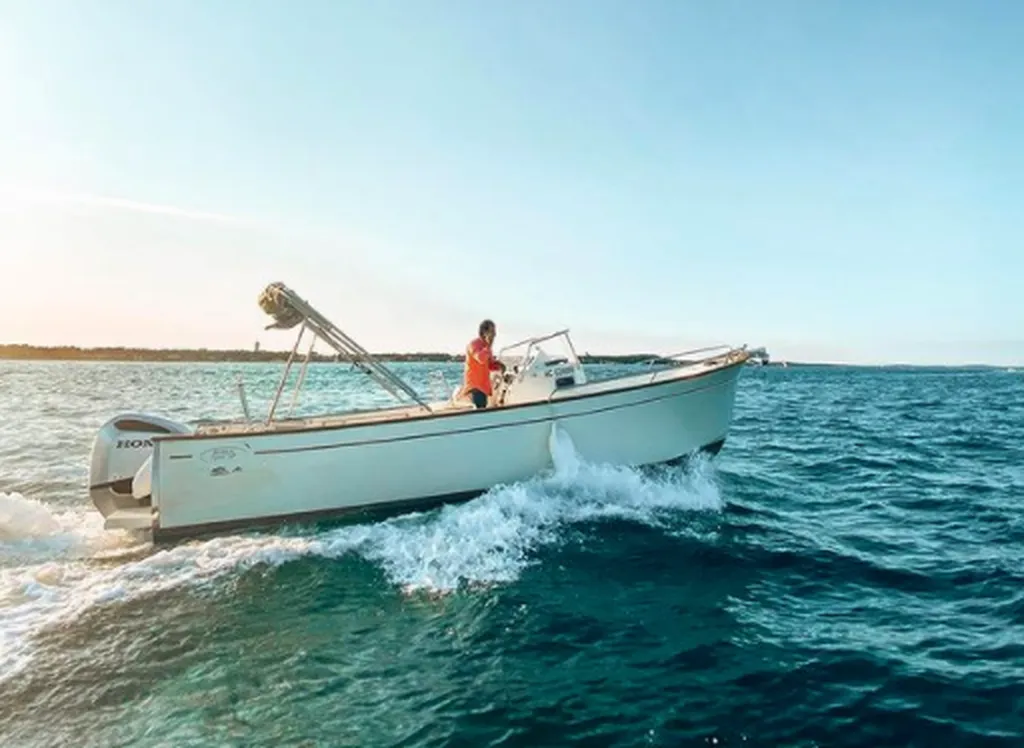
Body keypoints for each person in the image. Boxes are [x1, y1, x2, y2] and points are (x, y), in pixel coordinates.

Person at [461, 319, 505, 408]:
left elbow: (489, 365)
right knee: (480, 412)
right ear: (484, 332)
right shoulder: (474, 344)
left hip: (483, 388)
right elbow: (480, 358)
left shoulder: (487, 347)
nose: (495, 334)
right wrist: (488, 346)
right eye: (492, 331)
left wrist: (499, 365)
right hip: (475, 388)